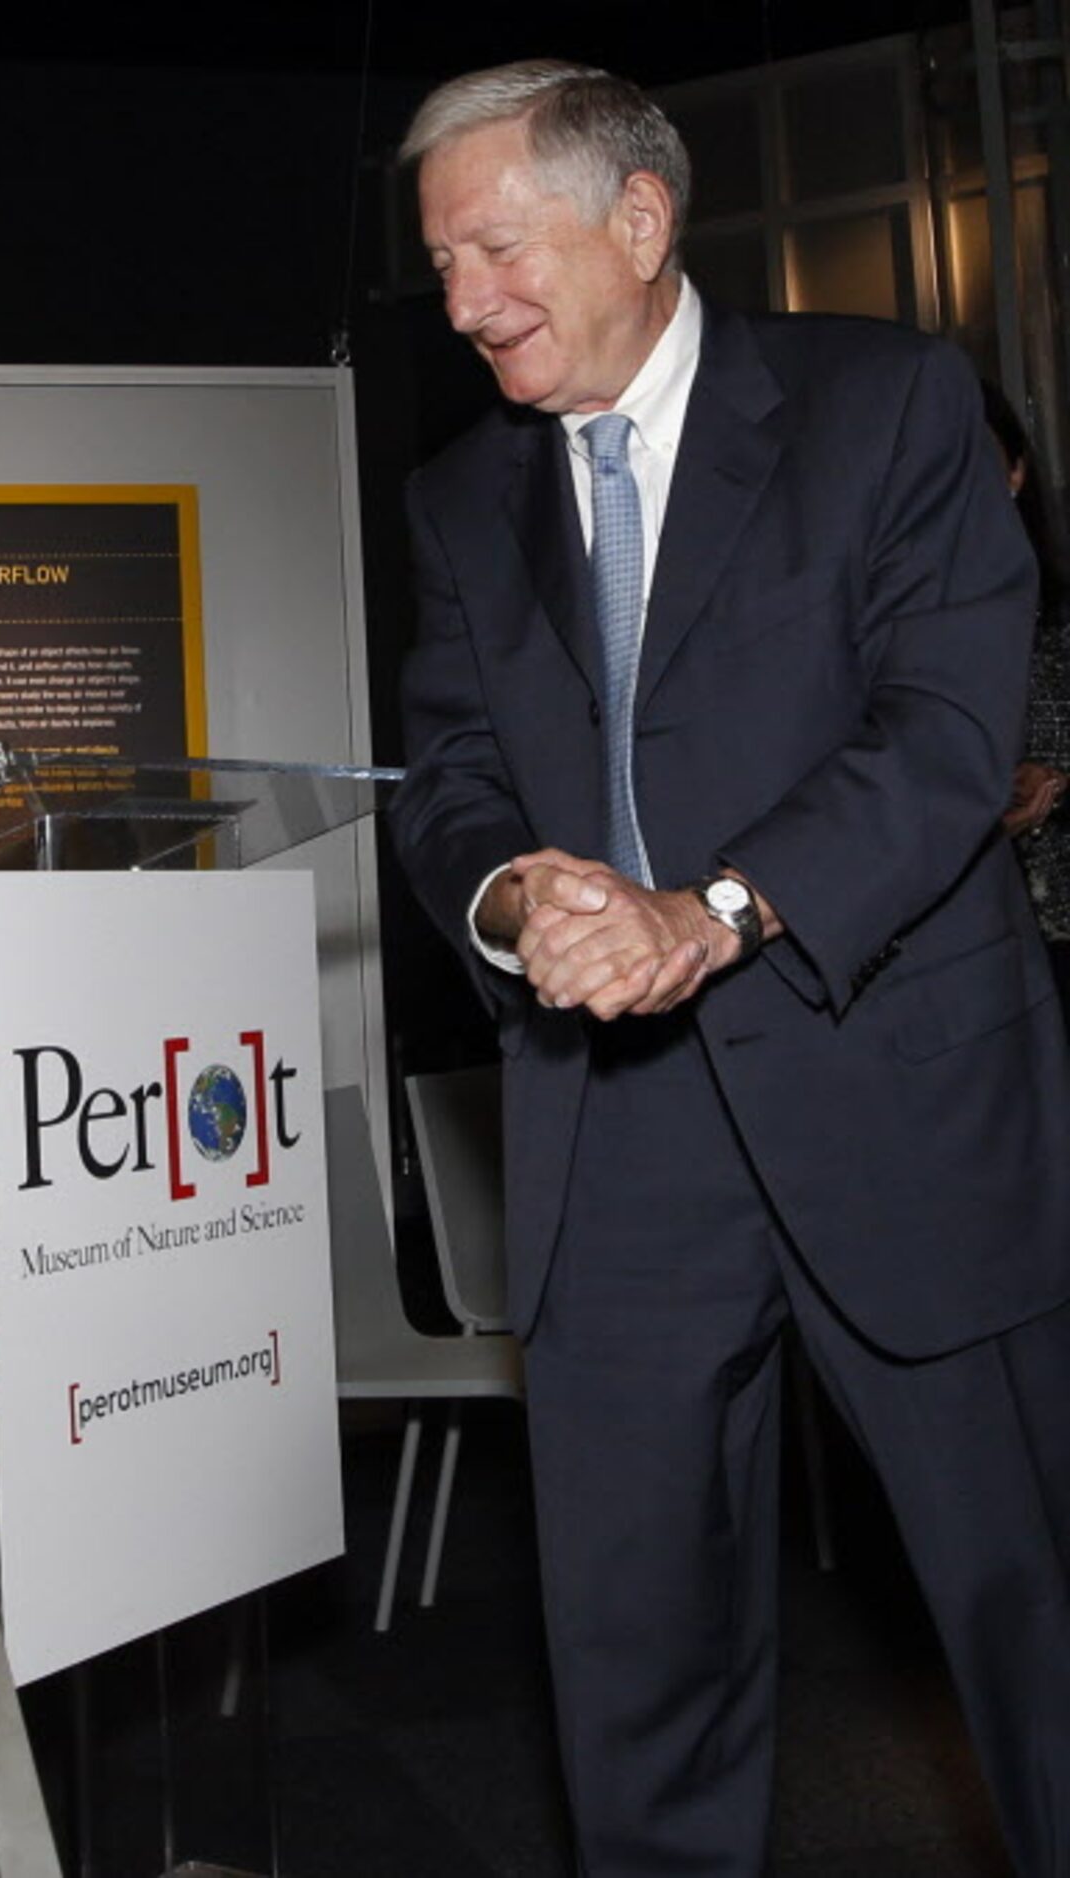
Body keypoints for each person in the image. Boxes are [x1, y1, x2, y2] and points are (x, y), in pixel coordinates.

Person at [389, 61, 1070, 1877]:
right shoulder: (460, 499)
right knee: (637, 1667)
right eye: (438, 263)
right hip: (609, 1147)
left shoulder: (883, 406)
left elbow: (940, 734)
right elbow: (444, 777)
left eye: (489, 247)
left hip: (893, 1093)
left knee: (1031, 1617)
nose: (460, 302)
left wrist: (713, 907)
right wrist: (511, 904)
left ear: (634, 217)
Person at [984, 383, 1070, 1006]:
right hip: (973, 937)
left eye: (978, 460)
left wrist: (1056, 785)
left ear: (1015, 471)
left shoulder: (1057, 613)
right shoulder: (886, 618)